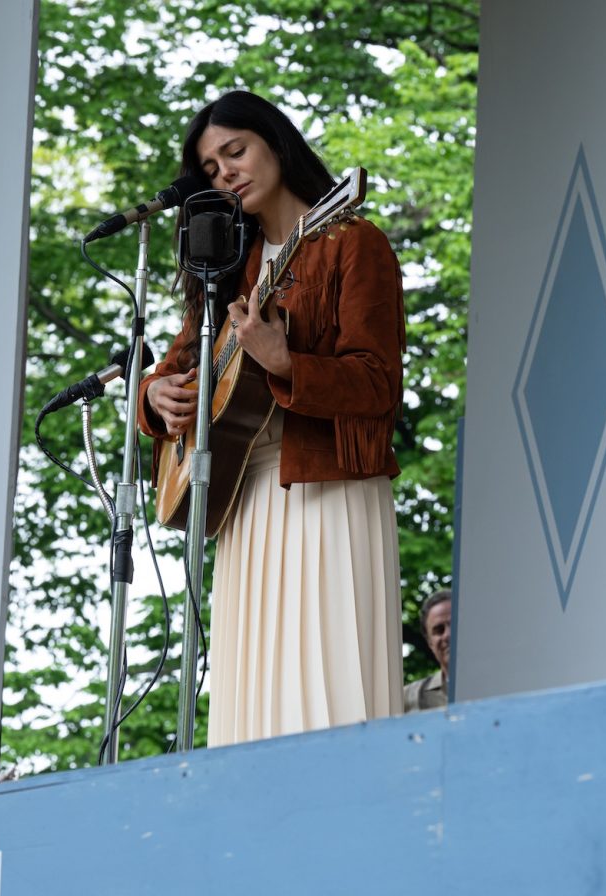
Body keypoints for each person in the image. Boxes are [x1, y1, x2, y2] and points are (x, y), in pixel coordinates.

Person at [140, 90, 406, 746]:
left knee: (327, 692)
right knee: (251, 697)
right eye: (210, 169)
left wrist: (286, 363)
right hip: (243, 498)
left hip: (327, 489)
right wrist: (154, 397)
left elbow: (378, 385)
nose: (225, 173)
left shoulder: (354, 243)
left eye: (236, 151)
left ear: (277, 145)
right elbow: (172, 369)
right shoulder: (227, 268)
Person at [404, 589, 451, 713]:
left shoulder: (497, 684)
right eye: (439, 630)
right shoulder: (405, 698)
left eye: (455, 624)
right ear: (430, 643)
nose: (448, 635)